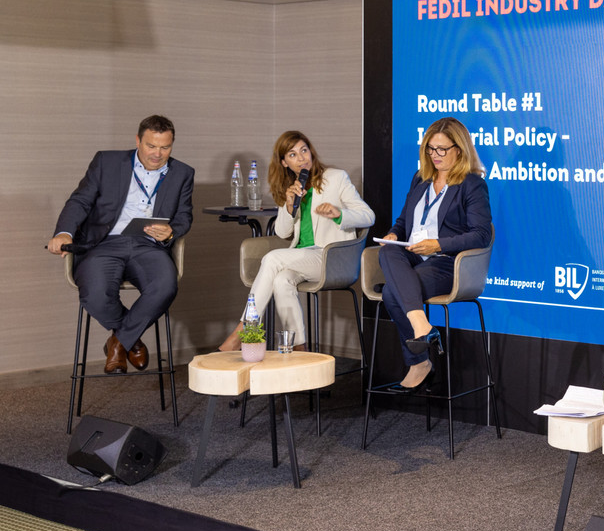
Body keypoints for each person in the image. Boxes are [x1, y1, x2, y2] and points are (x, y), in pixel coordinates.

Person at [48, 115, 194, 374]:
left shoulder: (183, 173)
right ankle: (130, 340)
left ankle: (117, 344)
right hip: (104, 243)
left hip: (148, 246)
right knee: (94, 294)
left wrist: (171, 231)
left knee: (165, 286)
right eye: (151, 146)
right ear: (138, 141)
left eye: (165, 147)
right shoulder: (107, 161)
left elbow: (184, 217)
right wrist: (64, 233)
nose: (157, 154)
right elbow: (80, 201)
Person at [218, 132, 375, 352]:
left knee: (272, 258)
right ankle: (299, 349)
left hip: (331, 257)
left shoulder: (336, 178)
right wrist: (289, 204)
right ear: (284, 162)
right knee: (282, 280)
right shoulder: (291, 186)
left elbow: (368, 216)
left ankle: (244, 329)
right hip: (303, 257)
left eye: (304, 150)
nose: (302, 158)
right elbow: (283, 232)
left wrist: (339, 213)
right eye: (293, 154)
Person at [378, 117, 492, 392]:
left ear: (459, 149)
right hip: (413, 255)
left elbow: (481, 234)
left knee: (393, 293)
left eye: (442, 149)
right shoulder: (420, 178)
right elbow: (404, 221)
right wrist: (394, 234)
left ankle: (419, 360)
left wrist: (438, 245)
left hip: (447, 263)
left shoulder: (471, 184)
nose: (435, 155)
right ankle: (421, 325)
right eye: (431, 149)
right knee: (387, 253)